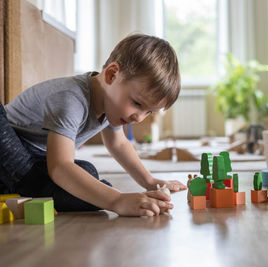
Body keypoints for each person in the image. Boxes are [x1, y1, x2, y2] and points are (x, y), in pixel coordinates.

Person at [0, 34, 186, 217]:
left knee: (88, 173)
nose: (139, 118)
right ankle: (23, 185)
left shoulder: (110, 105)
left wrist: (150, 182)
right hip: (10, 151)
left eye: (149, 112)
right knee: (87, 185)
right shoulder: (71, 98)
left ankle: (22, 188)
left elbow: (118, 144)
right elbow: (60, 167)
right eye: (137, 104)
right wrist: (116, 200)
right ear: (112, 74)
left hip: (36, 163)